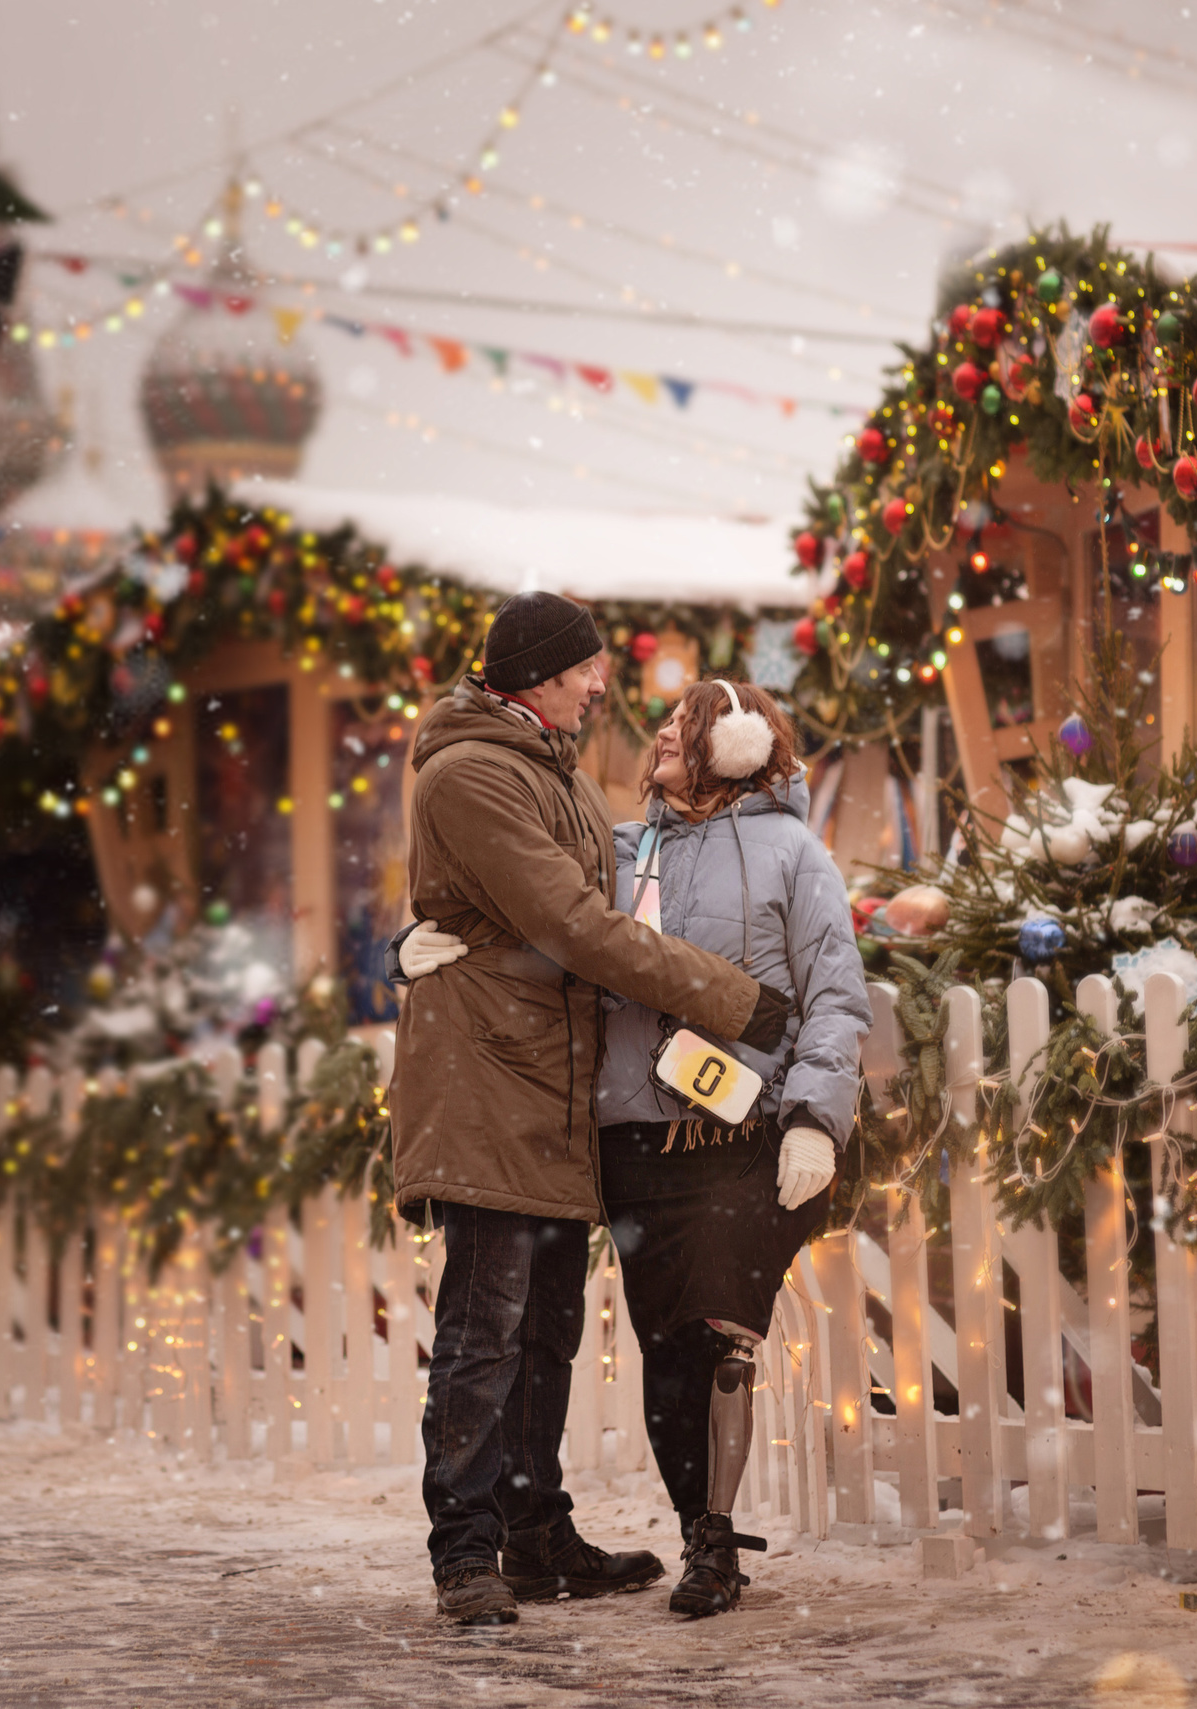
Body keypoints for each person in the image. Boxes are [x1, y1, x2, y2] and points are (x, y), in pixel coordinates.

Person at [384, 591, 792, 1627]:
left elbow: (612, 888)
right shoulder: (473, 772)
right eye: (585, 669)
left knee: (548, 1327)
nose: (601, 684)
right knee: (487, 1326)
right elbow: (571, 921)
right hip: (488, 1077)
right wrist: (731, 998)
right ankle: (465, 1550)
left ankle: (533, 1531)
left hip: (550, 1083)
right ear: (531, 674)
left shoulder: (546, 769)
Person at [595, 678, 871, 1618]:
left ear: (743, 743)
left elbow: (835, 995)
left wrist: (813, 1118)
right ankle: (694, 1528)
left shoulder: (795, 852)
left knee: (719, 1334)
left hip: (744, 1136)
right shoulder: (623, 855)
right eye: (665, 722)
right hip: (634, 1142)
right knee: (665, 1347)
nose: (666, 733)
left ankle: (716, 1546)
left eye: (690, 722)